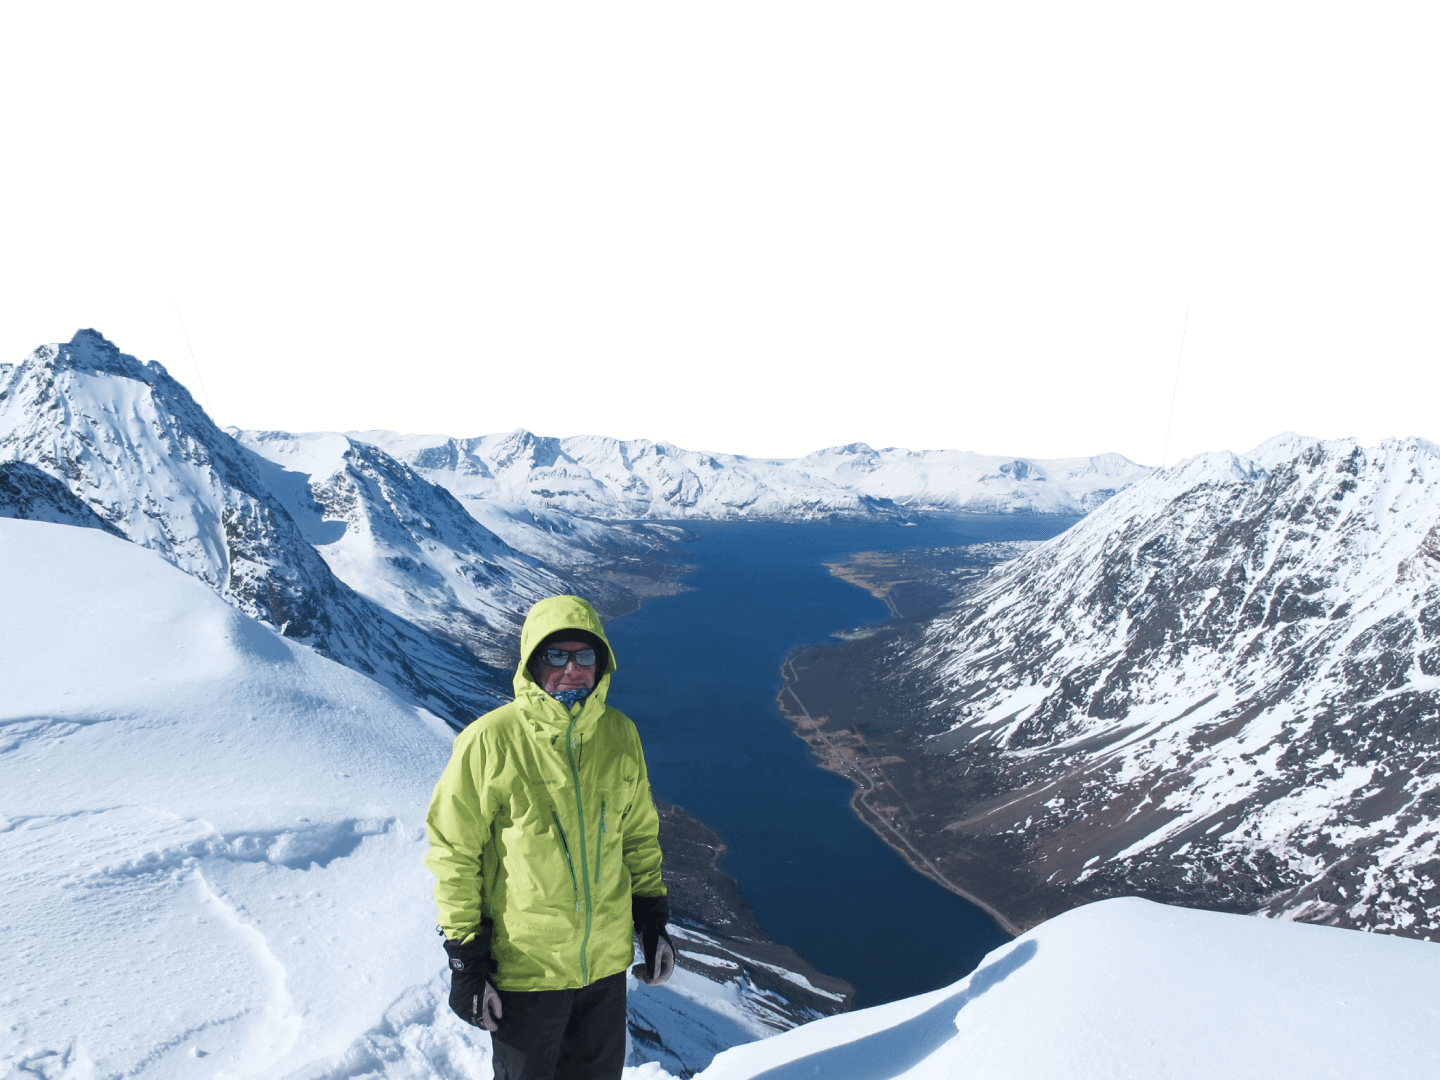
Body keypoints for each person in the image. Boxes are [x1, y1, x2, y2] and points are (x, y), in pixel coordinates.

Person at [425, 595, 675, 1080]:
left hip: (603, 970)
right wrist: (465, 961)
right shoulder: (491, 740)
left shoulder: (620, 735)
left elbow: (639, 836)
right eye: (556, 655)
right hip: (526, 973)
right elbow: (454, 854)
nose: (572, 669)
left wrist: (652, 921)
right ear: (533, 662)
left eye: (584, 655)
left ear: (601, 663)